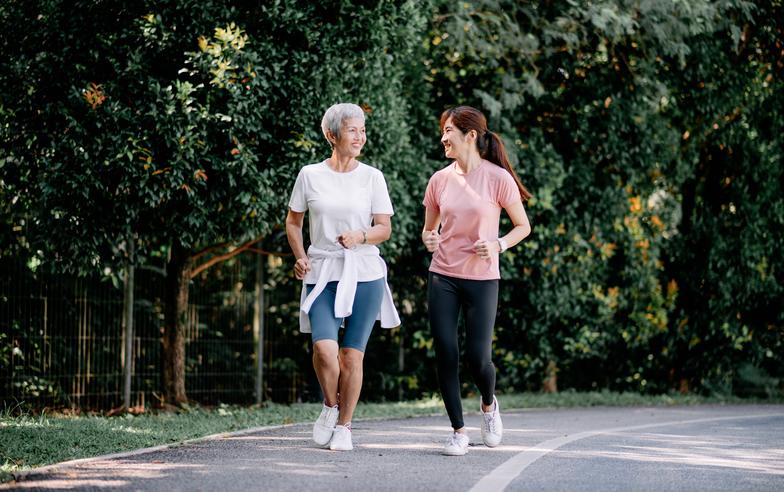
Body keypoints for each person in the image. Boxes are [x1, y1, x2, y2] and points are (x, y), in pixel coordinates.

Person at [285, 103, 400, 451]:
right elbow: (293, 222)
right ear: (332, 135)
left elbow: (384, 228)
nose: (360, 137)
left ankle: (345, 427)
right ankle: (330, 406)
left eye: (363, 131)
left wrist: (360, 236)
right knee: (323, 349)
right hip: (322, 271)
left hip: (363, 272)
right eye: (353, 130)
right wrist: (300, 257)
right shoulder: (309, 174)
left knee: (352, 356)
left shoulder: (372, 177)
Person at [422, 105, 532, 456]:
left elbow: (523, 226)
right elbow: (429, 229)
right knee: (445, 352)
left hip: (483, 278)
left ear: (470, 135)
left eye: (449, 130)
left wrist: (497, 244)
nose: (443, 138)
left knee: (477, 358)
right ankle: (457, 431)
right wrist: (429, 238)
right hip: (443, 276)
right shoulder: (439, 180)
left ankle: (488, 404)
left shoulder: (497, 178)